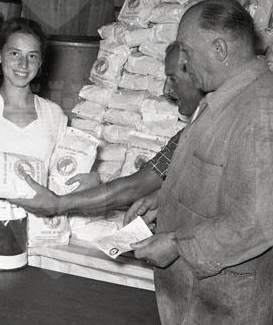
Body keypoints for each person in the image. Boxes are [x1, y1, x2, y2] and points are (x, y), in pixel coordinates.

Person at [132, 0, 273, 325]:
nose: (184, 63)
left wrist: (178, 244)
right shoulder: (228, 100)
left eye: (187, 51)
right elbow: (219, 182)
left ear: (221, 49)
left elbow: (261, 221)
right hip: (204, 319)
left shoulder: (263, 112)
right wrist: (166, 204)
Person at [12, 41, 204, 217]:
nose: (166, 90)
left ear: (199, 76)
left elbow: (134, 187)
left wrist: (59, 204)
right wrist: (159, 197)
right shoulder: (189, 133)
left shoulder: (213, 132)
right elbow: (141, 181)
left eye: (173, 79)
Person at [0, 17, 67, 166]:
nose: (23, 64)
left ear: (40, 63)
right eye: (15, 54)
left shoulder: (54, 114)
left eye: (32, 56)